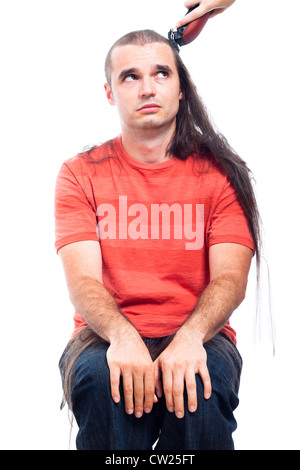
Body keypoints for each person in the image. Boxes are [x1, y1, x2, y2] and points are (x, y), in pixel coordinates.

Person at [55, 4, 260, 451]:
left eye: (162, 74)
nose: (148, 87)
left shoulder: (223, 173)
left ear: (181, 88)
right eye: (130, 76)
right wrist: (124, 337)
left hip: (200, 330)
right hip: (104, 333)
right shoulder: (79, 173)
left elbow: (231, 278)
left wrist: (189, 338)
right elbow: (83, 281)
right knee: (100, 379)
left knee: (201, 389)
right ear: (110, 93)